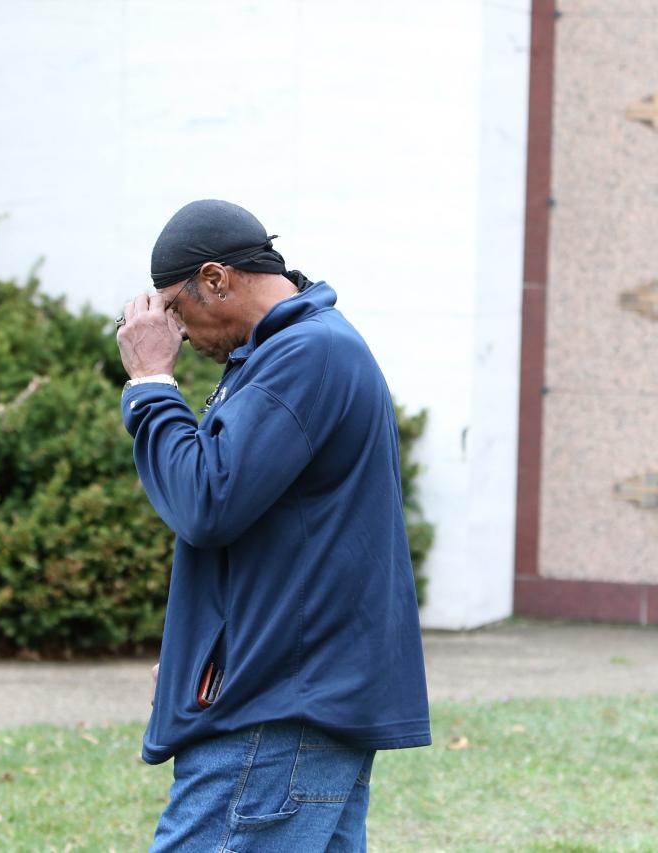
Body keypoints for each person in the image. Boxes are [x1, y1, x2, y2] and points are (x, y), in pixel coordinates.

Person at [115, 199, 431, 851]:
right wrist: (193, 650)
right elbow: (260, 528)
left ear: (215, 278)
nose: (175, 334)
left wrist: (151, 382)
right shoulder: (298, 352)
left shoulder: (306, 355)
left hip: (277, 707)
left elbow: (207, 500)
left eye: (173, 310)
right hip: (294, 698)